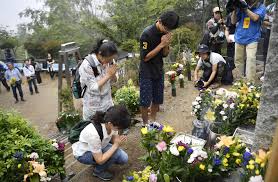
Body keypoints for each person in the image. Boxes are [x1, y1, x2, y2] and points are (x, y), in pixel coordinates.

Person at [139, 11, 179, 124]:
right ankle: (145, 124)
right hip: (146, 72)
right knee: (145, 101)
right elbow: (145, 58)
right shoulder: (146, 34)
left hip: (158, 70)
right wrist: (161, 44)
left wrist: (166, 44)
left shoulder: (166, 33)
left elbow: (165, 54)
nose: (168, 31)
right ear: (160, 21)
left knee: (157, 98)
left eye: (170, 30)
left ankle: (153, 121)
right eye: (167, 28)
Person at [72, 105, 130, 181]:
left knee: (123, 159)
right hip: (84, 153)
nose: (119, 130)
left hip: (100, 145)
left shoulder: (111, 122)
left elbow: (114, 136)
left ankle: (100, 161)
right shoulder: (93, 133)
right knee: (115, 153)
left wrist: (117, 140)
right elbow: (100, 160)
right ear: (110, 124)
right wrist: (116, 145)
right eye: (119, 128)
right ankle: (98, 171)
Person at [79, 40, 118, 121]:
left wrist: (113, 74)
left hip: (108, 104)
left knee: (109, 129)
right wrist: (108, 75)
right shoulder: (87, 65)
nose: (110, 61)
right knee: (94, 131)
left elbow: (114, 80)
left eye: (112, 59)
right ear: (100, 55)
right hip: (93, 108)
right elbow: (93, 87)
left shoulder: (110, 61)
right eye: (108, 59)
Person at [231, 0, 266, 81]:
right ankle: (239, 81)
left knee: (251, 60)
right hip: (239, 37)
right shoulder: (241, 5)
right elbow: (233, 21)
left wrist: (245, 8)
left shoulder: (261, 7)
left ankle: (250, 82)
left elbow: (255, 18)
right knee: (238, 60)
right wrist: (234, 9)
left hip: (252, 38)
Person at [261, 1, 276, 81]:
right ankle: (265, 73)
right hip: (270, 31)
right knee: (266, 52)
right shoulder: (270, 7)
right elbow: (263, 21)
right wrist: (273, 24)